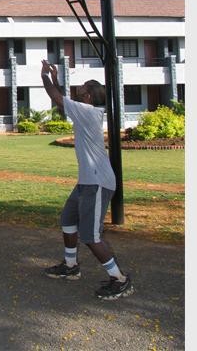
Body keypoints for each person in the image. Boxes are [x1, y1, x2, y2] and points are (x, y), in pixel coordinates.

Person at [39, 60, 134, 300]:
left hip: (98, 182)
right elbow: (63, 98)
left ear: (89, 96)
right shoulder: (86, 110)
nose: (78, 89)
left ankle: (119, 279)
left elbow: (56, 97)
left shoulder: (88, 112)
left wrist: (45, 77)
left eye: (82, 88)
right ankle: (70, 266)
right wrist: (56, 77)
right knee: (68, 220)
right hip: (86, 181)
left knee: (91, 235)